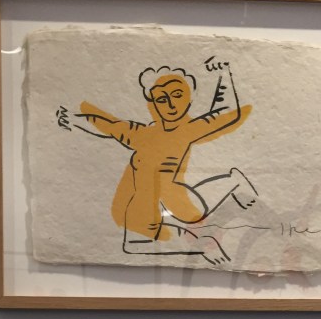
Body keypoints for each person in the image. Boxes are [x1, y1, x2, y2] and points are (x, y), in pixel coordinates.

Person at [56, 56, 257, 267]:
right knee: (136, 243)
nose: (170, 104)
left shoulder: (188, 130)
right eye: (162, 99)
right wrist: (74, 119)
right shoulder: (142, 134)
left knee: (183, 216)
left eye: (177, 95)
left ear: (189, 99)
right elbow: (110, 127)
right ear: (153, 104)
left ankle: (232, 183)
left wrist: (224, 74)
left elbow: (224, 114)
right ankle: (231, 184)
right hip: (149, 202)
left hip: (173, 197)